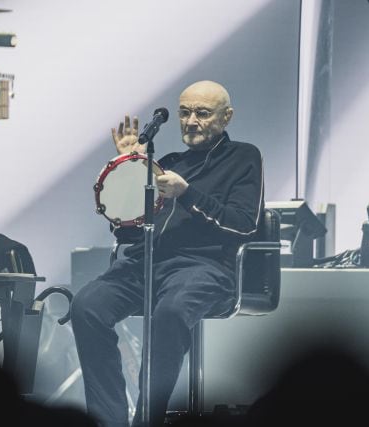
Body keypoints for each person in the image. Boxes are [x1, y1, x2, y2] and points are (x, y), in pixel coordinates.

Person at [71, 80, 264, 427]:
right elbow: (127, 229)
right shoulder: (167, 163)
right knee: (86, 306)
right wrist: (129, 169)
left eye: (202, 114)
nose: (191, 121)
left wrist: (187, 194)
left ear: (227, 117)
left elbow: (243, 223)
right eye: (185, 112)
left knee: (170, 312)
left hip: (205, 266)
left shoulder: (244, 157)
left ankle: (147, 420)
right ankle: (108, 421)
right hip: (146, 263)